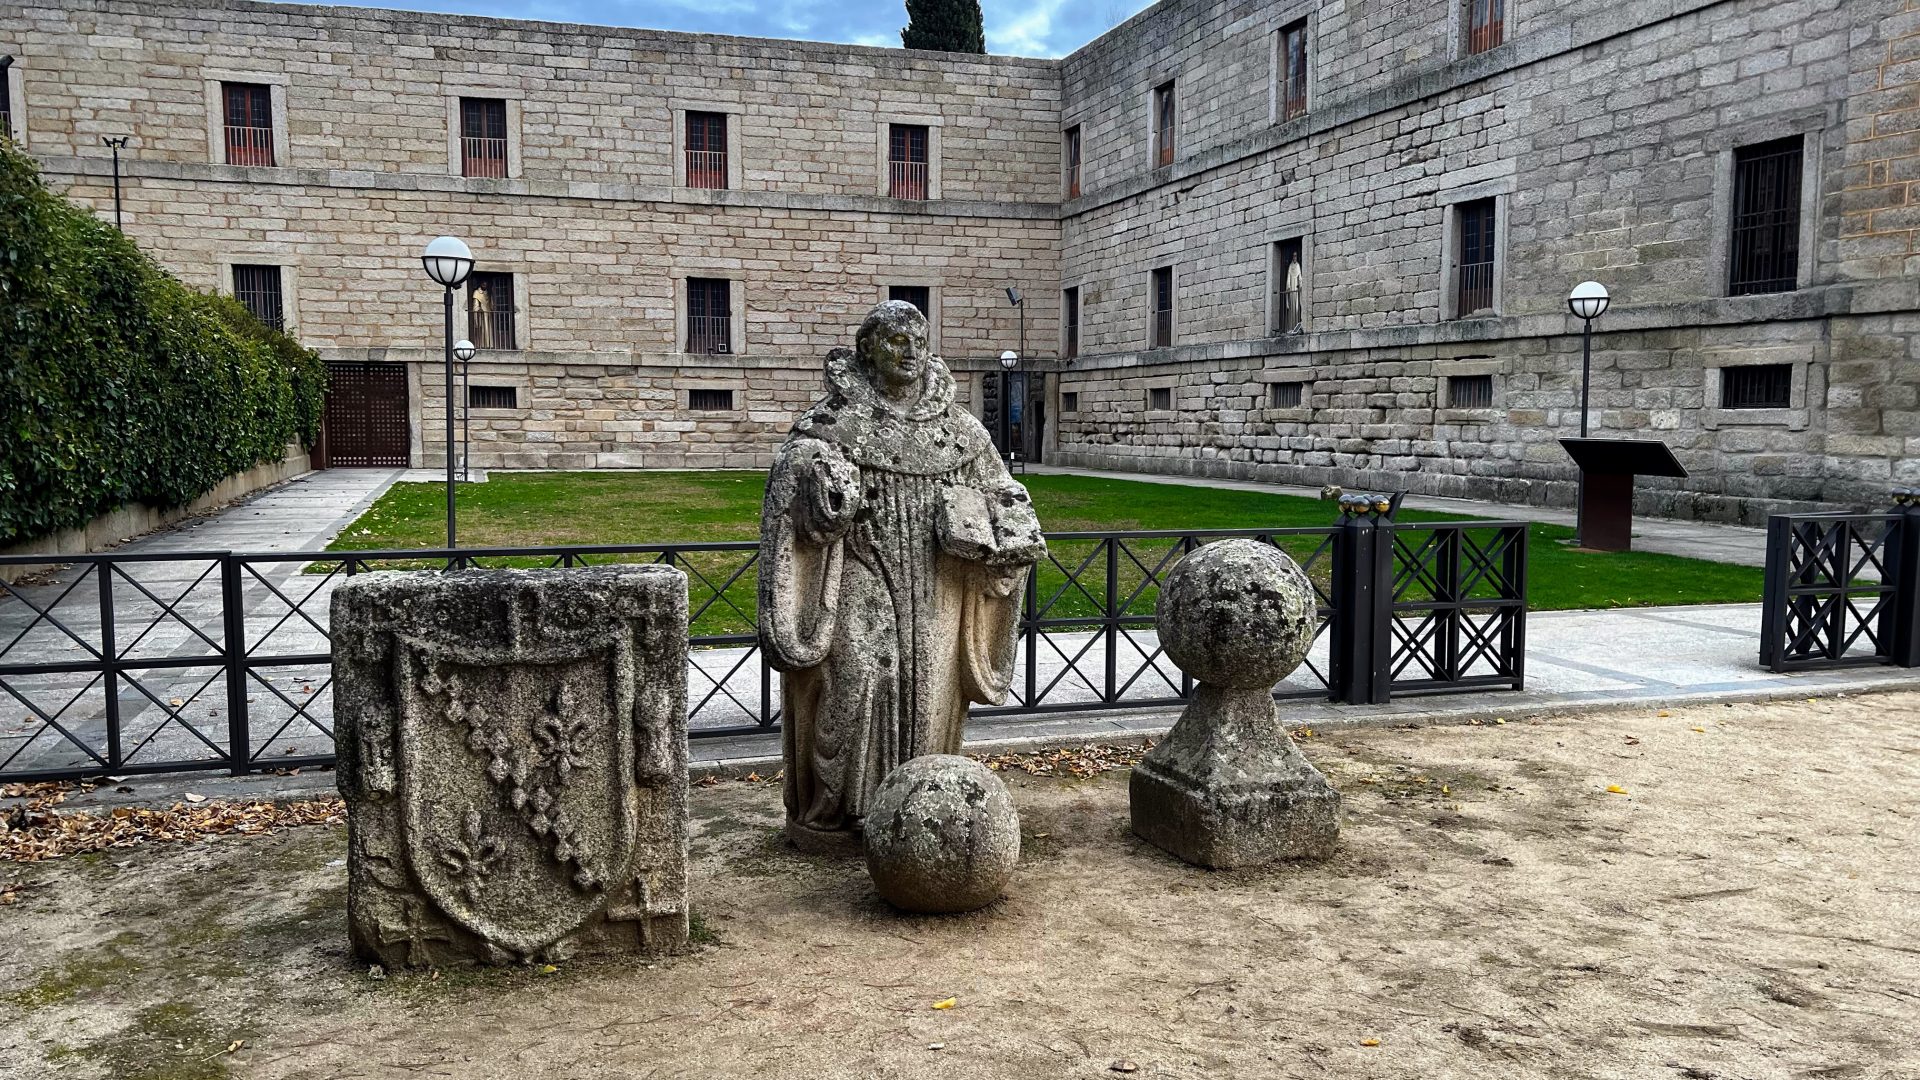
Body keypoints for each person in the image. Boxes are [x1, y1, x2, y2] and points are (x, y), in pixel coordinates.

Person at [758, 301, 1045, 850]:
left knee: (931, 685)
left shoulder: (960, 431)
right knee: (862, 672)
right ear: (868, 351)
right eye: (896, 340)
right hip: (859, 571)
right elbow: (794, 472)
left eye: (920, 339)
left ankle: (917, 806)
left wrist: (1003, 533)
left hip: (937, 580)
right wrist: (821, 483)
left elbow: (1004, 492)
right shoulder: (835, 423)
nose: (911, 350)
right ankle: (838, 812)